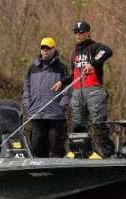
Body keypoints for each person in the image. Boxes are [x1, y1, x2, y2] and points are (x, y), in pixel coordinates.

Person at [53, 21, 115, 158]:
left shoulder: (95, 47)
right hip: (77, 93)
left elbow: (108, 51)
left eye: (81, 32)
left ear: (87, 33)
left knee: (99, 124)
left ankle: (109, 154)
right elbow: (74, 75)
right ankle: (81, 152)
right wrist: (62, 82)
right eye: (76, 32)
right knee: (78, 125)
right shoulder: (75, 53)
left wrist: (92, 63)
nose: (78, 35)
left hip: (93, 91)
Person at [22, 37, 70, 158]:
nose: (45, 51)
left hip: (55, 114)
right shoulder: (32, 68)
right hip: (36, 113)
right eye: (43, 48)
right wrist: (27, 105)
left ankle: (57, 167)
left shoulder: (61, 67)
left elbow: (68, 88)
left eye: (48, 48)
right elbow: (26, 88)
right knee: (37, 144)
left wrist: (62, 106)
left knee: (56, 145)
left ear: (53, 49)